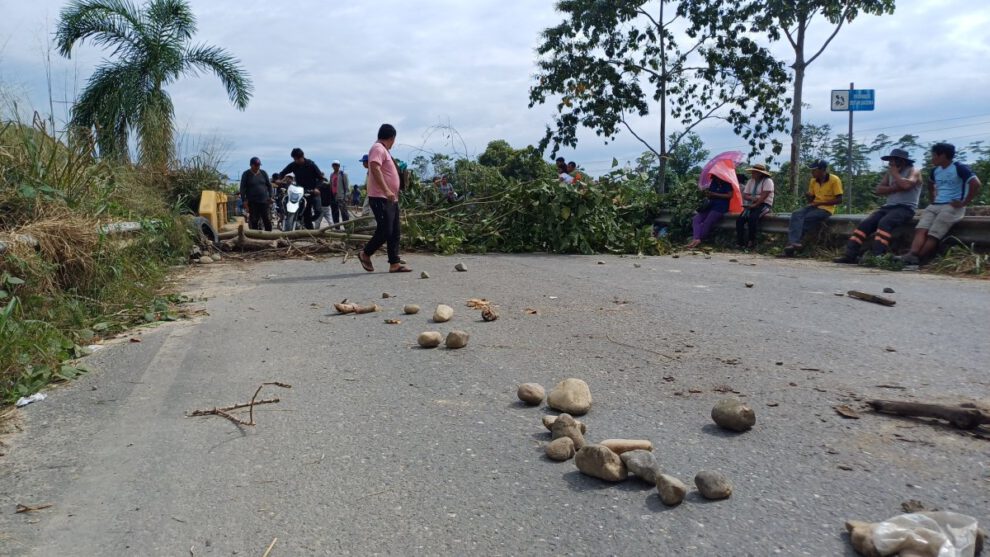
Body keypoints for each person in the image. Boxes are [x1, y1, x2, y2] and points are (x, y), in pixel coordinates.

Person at [897, 142, 982, 266]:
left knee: (934, 233)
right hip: (936, 204)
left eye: (934, 156)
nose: (932, 158)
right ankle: (912, 254)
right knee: (921, 228)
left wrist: (964, 202)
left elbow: (976, 183)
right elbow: (930, 184)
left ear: (942, 155)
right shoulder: (935, 170)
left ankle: (918, 259)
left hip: (952, 206)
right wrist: (933, 199)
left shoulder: (959, 167)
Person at [834, 148, 922, 264]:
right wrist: (895, 187)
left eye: (893, 160)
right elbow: (879, 190)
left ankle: (878, 256)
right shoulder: (889, 173)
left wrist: (895, 175)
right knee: (865, 224)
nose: (890, 163)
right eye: (890, 161)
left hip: (905, 208)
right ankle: (850, 255)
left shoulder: (913, 171)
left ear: (902, 161)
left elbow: (906, 185)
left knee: (885, 223)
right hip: (888, 207)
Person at [358, 124, 411, 273]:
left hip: (390, 198)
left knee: (395, 230)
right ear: (392, 138)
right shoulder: (378, 148)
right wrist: (386, 190)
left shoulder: (384, 151)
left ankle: (394, 263)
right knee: (385, 230)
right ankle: (365, 253)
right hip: (380, 196)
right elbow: (374, 167)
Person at [782, 160, 843, 257]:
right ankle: (794, 243)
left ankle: (791, 247)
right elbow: (811, 200)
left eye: (814, 170)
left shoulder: (834, 180)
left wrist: (820, 203)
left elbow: (839, 200)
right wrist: (808, 196)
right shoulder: (813, 181)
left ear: (822, 170)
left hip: (826, 209)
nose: (812, 173)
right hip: (814, 206)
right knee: (796, 214)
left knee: (805, 220)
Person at [278, 148, 324, 229]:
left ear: (302, 156)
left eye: (298, 159)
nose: (296, 161)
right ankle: (308, 230)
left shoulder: (311, 165)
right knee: (306, 214)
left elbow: (321, 179)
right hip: (302, 192)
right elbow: (283, 172)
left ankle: (307, 220)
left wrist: (317, 188)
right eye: (294, 159)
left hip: (313, 191)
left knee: (318, 211)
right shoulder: (293, 165)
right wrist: (279, 179)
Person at [685, 174, 734, 249]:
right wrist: (707, 194)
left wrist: (715, 194)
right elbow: (710, 194)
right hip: (710, 205)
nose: (714, 178)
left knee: (708, 222)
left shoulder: (727, 183)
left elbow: (730, 195)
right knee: (696, 219)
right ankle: (696, 239)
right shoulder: (713, 182)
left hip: (721, 206)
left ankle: (699, 239)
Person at [735, 164, 775, 248]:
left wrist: (755, 203)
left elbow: (764, 197)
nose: (752, 174)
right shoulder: (751, 181)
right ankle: (740, 242)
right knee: (740, 220)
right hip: (751, 203)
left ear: (760, 173)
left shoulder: (768, 181)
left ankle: (751, 241)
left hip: (764, 204)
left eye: (754, 172)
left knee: (752, 218)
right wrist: (754, 199)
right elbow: (745, 195)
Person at [239, 157, 274, 231]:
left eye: (258, 165)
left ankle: (270, 236)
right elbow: (242, 188)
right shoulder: (246, 174)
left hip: (264, 201)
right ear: (251, 165)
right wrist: (244, 200)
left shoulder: (263, 173)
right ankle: (255, 237)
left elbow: (269, 185)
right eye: (256, 165)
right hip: (252, 202)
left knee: (266, 219)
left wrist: (270, 196)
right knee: (254, 220)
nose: (257, 167)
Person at [329, 160, 350, 225]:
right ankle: (336, 227)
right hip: (333, 197)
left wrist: (346, 197)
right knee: (335, 213)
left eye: (337, 165)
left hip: (341, 197)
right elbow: (331, 185)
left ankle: (347, 228)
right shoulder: (331, 175)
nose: (335, 166)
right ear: (332, 166)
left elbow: (347, 187)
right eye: (334, 165)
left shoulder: (343, 174)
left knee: (344, 214)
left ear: (339, 166)